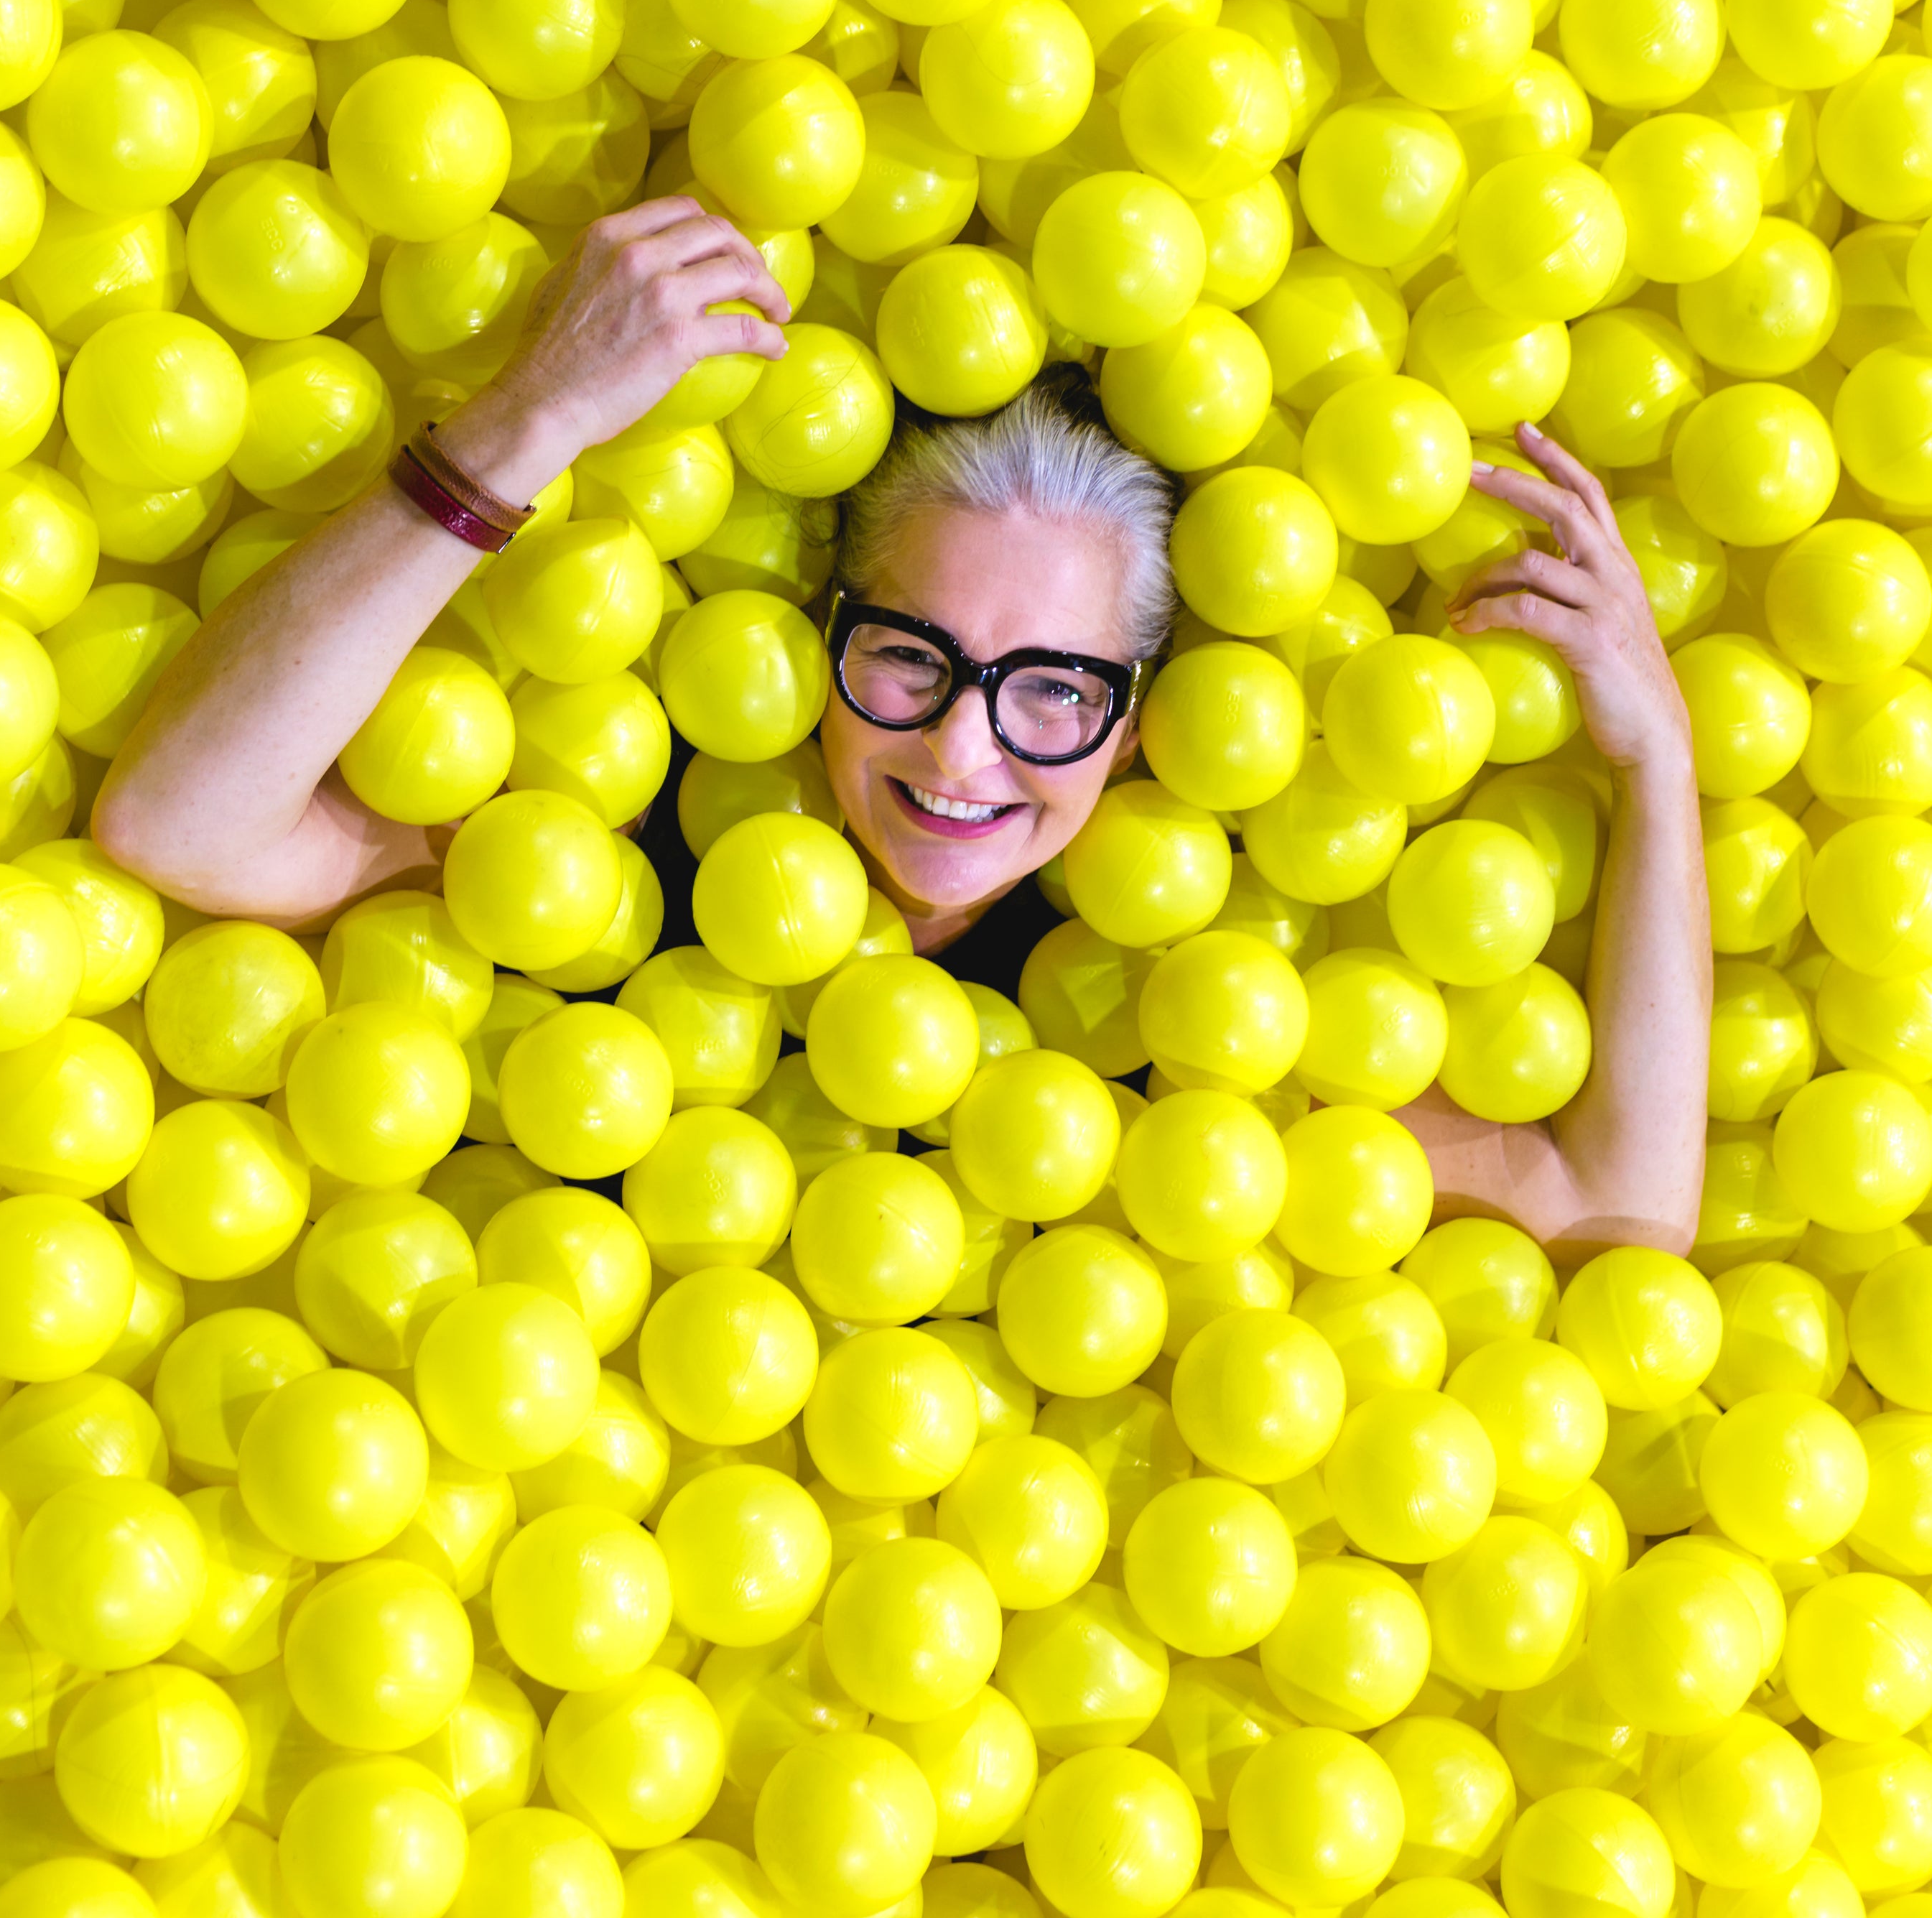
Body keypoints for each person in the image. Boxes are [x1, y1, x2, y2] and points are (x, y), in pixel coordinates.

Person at [95, 193, 1711, 1261]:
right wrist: (520, 429)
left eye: (1051, 692)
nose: (959, 752)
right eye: (908, 658)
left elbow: (1610, 1207)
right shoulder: (616, 866)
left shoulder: (1172, 1023)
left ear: (1142, 728)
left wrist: (1655, 765)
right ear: (819, 644)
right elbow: (184, 825)